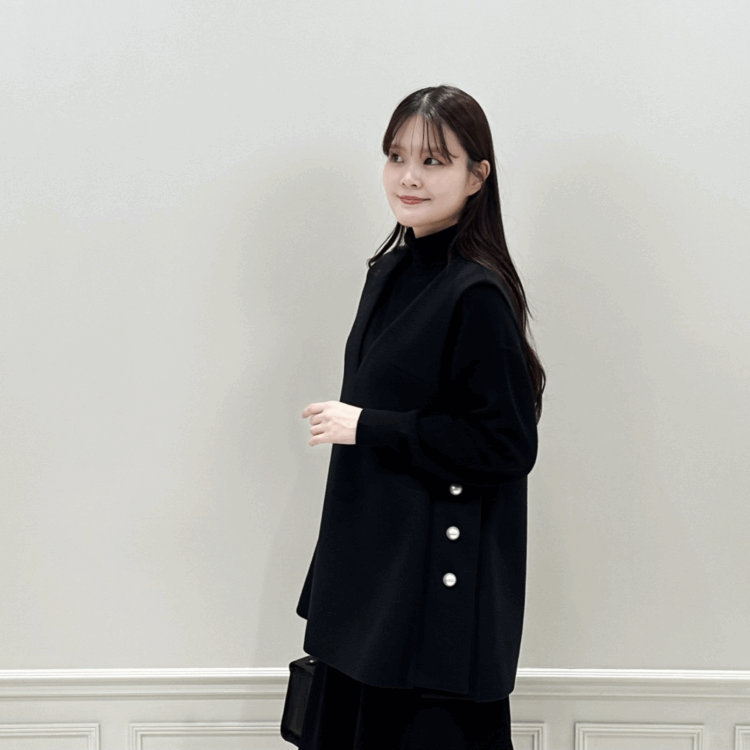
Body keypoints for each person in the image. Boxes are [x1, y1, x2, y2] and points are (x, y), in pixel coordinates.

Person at [294, 84, 545, 750]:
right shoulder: (391, 271)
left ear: (477, 176)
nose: (408, 176)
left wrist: (368, 426)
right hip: (370, 582)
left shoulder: (475, 291)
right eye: (396, 156)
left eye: (434, 161)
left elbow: (507, 444)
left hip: (428, 601)